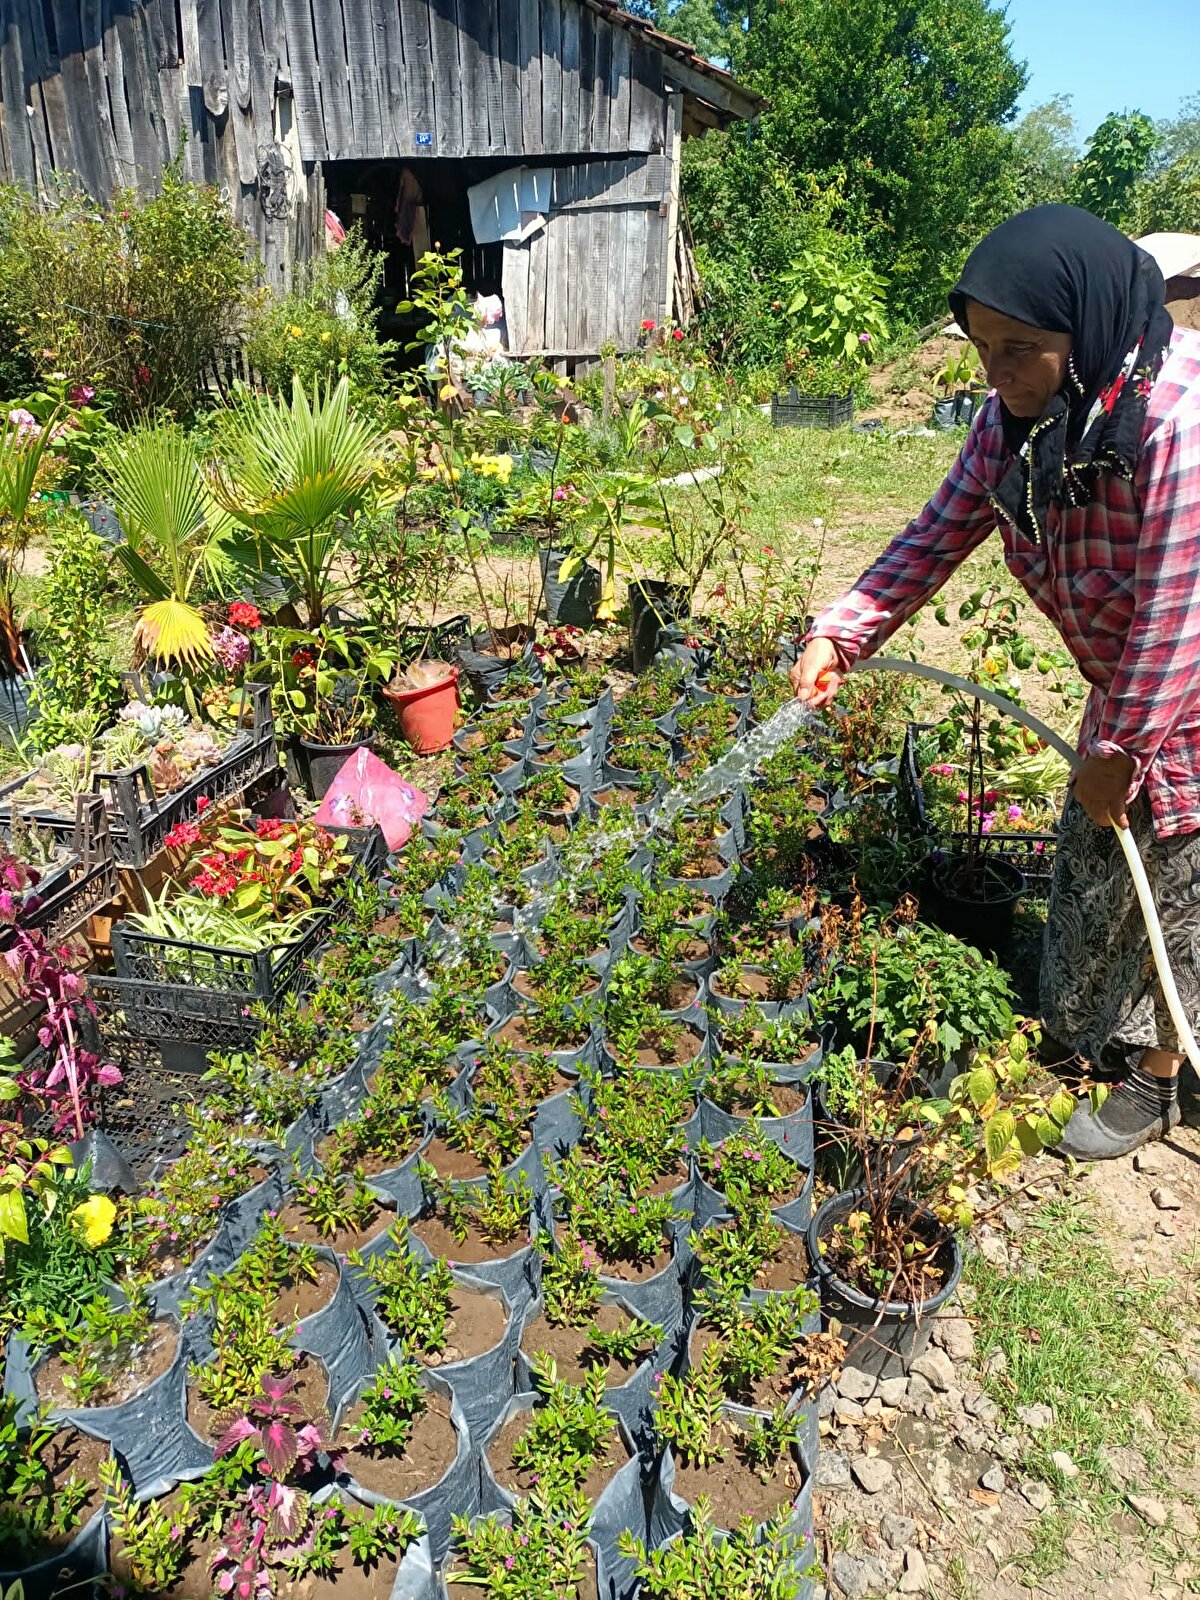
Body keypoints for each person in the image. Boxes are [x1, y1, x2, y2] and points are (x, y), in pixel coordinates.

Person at [792, 204, 1200, 1160]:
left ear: (1086, 326)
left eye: (1020, 348)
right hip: (1130, 686)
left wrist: (1124, 751)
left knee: (1180, 891)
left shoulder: (1175, 428)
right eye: (982, 347)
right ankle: (1074, 1035)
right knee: (1094, 865)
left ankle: (1158, 1077)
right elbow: (936, 533)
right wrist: (841, 635)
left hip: (1182, 683)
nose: (996, 372)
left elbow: (1179, 619)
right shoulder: (1017, 422)